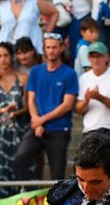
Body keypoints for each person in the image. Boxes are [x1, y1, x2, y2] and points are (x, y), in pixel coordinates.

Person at [13, 31, 77, 182]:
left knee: (57, 173)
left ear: (61, 48)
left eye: (54, 47)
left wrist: (41, 120)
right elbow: (31, 99)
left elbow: (67, 105)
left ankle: (57, 203)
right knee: (20, 158)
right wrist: (36, 121)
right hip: (37, 127)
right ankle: (29, 193)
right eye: (47, 47)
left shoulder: (69, 74)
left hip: (59, 129)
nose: (50, 51)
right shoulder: (36, 71)